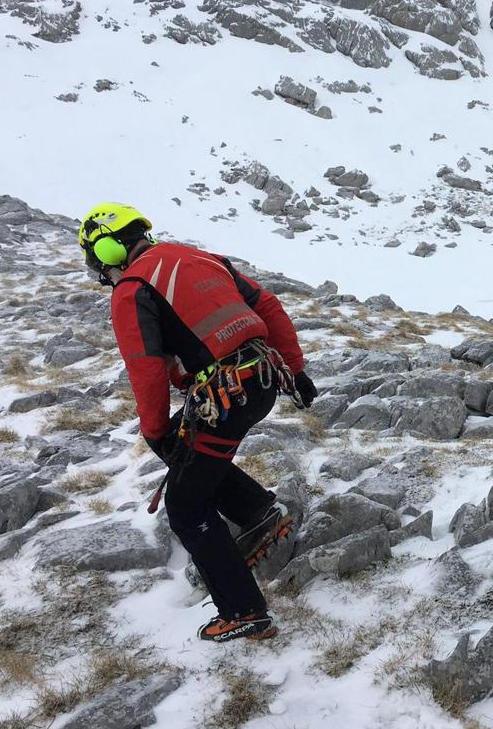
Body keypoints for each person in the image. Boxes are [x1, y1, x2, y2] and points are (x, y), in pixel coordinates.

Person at [78, 203, 318, 643]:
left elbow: (146, 369)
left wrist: (153, 431)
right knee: (193, 458)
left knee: (186, 507)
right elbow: (267, 304)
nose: (101, 273)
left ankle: (244, 610)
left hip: (226, 394)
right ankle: (257, 513)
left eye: (98, 262)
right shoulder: (198, 257)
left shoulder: (132, 289)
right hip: (261, 378)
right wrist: (296, 371)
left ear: (110, 250)